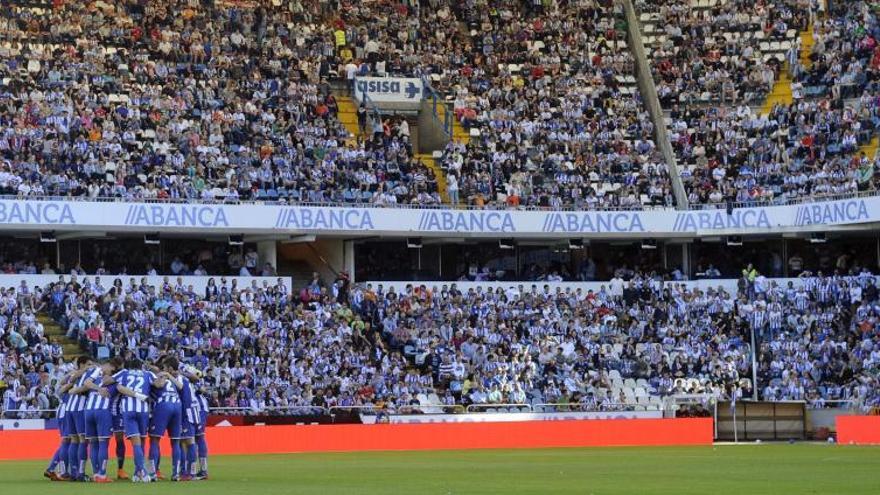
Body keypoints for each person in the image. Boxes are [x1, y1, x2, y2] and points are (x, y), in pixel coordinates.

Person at [113, 358, 161, 483]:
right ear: (141, 367)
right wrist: (163, 375)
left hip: (128, 410)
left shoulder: (124, 373)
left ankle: (142, 471)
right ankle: (137, 472)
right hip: (143, 410)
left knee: (136, 443)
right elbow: (159, 384)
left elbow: (109, 381)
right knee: (142, 442)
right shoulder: (148, 374)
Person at [80, 358, 122, 483]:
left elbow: (87, 383)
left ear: (112, 368)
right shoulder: (110, 379)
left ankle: (96, 474)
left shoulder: (107, 378)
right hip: (102, 412)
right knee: (102, 443)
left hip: (89, 411)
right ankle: (101, 475)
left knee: (94, 444)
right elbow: (87, 383)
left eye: (106, 365)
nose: (102, 366)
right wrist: (99, 389)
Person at [148, 357, 183, 481]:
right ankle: (176, 474)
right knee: (175, 442)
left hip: (164, 405)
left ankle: (152, 473)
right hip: (177, 406)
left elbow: (159, 384)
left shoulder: (158, 377)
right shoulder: (173, 379)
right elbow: (181, 386)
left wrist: (160, 376)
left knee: (154, 440)